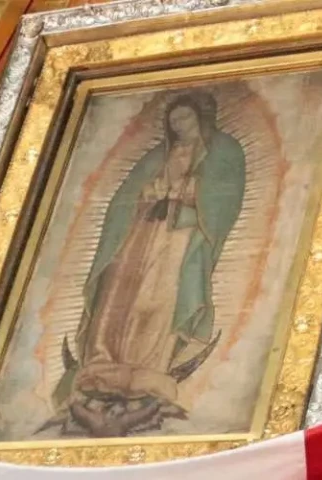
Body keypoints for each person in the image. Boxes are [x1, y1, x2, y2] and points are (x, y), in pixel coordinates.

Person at [45, 92, 246, 437]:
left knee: (162, 297)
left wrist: (191, 194)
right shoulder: (157, 156)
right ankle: (103, 361)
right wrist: (147, 193)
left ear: (201, 119)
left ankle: (151, 365)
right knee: (119, 296)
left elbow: (224, 198)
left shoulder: (222, 152)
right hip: (141, 232)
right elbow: (124, 199)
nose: (178, 125)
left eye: (185, 118)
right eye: (173, 120)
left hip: (180, 236)